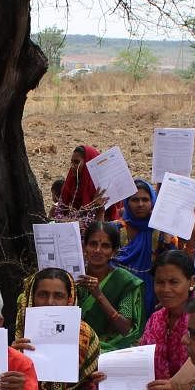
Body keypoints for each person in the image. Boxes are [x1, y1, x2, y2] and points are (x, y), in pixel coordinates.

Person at [13, 268, 125, 390]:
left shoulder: (85, 334)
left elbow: (91, 385)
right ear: (32, 297)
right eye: (43, 295)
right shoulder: (17, 331)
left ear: (69, 299)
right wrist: (12, 356)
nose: (50, 302)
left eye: (58, 296)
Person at [129, 251, 195, 390]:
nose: (166, 289)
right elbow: (141, 361)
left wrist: (182, 389)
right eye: (160, 282)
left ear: (191, 282)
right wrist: (112, 374)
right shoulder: (156, 318)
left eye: (174, 282)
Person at [112, 179, 180, 317]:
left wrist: (163, 222)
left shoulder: (159, 231)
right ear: (127, 202)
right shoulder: (117, 229)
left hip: (153, 295)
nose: (140, 204)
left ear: (153, 202)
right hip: (120, 293)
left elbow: (172, 258)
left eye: (145, 199)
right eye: (135, 200)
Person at [77, 221, 144, 352]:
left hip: (111, 349)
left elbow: (126, 329)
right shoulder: (74, 277)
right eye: (93, 244)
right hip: (75, 346)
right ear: (85, 247)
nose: (97, 250)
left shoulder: (123, 281)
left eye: (105, 246)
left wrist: (99, 296)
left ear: (114, 251)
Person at [51, 145, 114, 225]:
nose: (72, 166)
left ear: (88, 163)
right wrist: (72, 222)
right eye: (72, 162)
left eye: (77, 162)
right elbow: (58, 215)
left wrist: (97, 210)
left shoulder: (102, 191)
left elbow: (101, 227)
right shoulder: (69, 186)